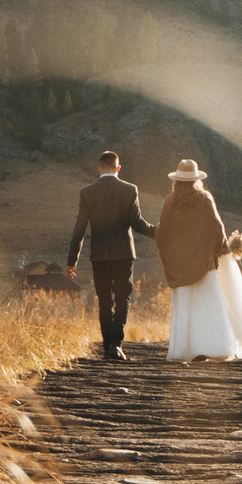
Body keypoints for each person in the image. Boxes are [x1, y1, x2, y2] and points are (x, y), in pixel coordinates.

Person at [156, 158, 242, 362]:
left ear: (177, 181)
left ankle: (184, 351)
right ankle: (214, 348)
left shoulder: (169, 202)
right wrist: (219, 250)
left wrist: (174, 258)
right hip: (204, 265)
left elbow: (163, 235)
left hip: (180, 268)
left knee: (186, 307)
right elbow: (216, 228)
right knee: (208, 306)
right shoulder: (204, 199)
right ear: (196, 180)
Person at [65, 150, 154, 361]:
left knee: (104, 300)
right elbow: (137, 224)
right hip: (124, 254)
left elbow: (79, 229)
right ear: (118, 167)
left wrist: (71, 261)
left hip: (99, 255)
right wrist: (160, 232)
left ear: (98, 168)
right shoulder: (130, 190)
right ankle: (116, 344)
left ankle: (107, 346)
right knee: (123, 298)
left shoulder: (87, 193)